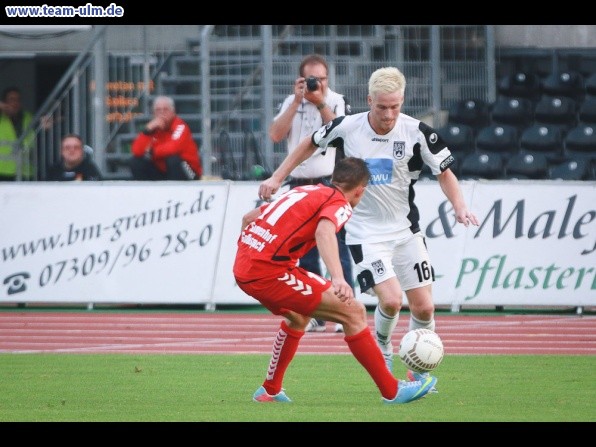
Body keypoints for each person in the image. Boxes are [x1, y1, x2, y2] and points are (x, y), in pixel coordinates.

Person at [258, 67, 480, 391]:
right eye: (381, 107)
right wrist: (277, 177)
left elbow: (444, 172)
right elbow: (309, 141)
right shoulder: (349, 127)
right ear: (369, 100)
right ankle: (384, 348)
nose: (389, 115)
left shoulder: (418, 133)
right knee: (390, 301)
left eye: (395, 106)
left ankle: (419, 372)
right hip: (364, 232)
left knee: (425, 306)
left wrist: (459, 206)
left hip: (405, 231)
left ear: (402, 101)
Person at [234, 156, 437, 404]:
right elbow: (324, 231)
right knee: (353, 312)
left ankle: (270, 390)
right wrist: (338, 278)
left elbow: (247, 218)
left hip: (250, 263)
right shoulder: (339, 202)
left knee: (299, 317)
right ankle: (392, 391)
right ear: (361, 190)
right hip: (267, 272)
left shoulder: (304, 189)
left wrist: (252, 251)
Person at [269, 54, 352, 333]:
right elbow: (276, 135)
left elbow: (341, 133)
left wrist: (319, 102)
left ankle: (345, 308)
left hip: (328, 182)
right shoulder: (291, 102)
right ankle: (316, 309)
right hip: (298, 183)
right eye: (312, 79)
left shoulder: (336, 99)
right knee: (303, 251)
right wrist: (296, 101)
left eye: (322, 78)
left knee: (337, 246)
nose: (318, 83)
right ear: (301, 79)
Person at [130, 95, 203, 180]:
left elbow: (173, 147)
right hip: (164, 171)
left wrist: (152, 152)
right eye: (158, 110)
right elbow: (136, 151)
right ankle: (146, 192)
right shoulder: (154, 128)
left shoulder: (180, 126)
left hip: (190, 173)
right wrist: (147, 131)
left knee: (173, 160)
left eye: (165, 109)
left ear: (173, 112)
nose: (162, 113)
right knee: (136, 162)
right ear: (153, 113)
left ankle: (175, 192)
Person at [0, 86, 35, 181]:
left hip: (25, 171)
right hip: (3, 170)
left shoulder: (28, 117)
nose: (15, 102)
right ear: (4, 102)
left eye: (18, 99)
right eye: (11, 99)